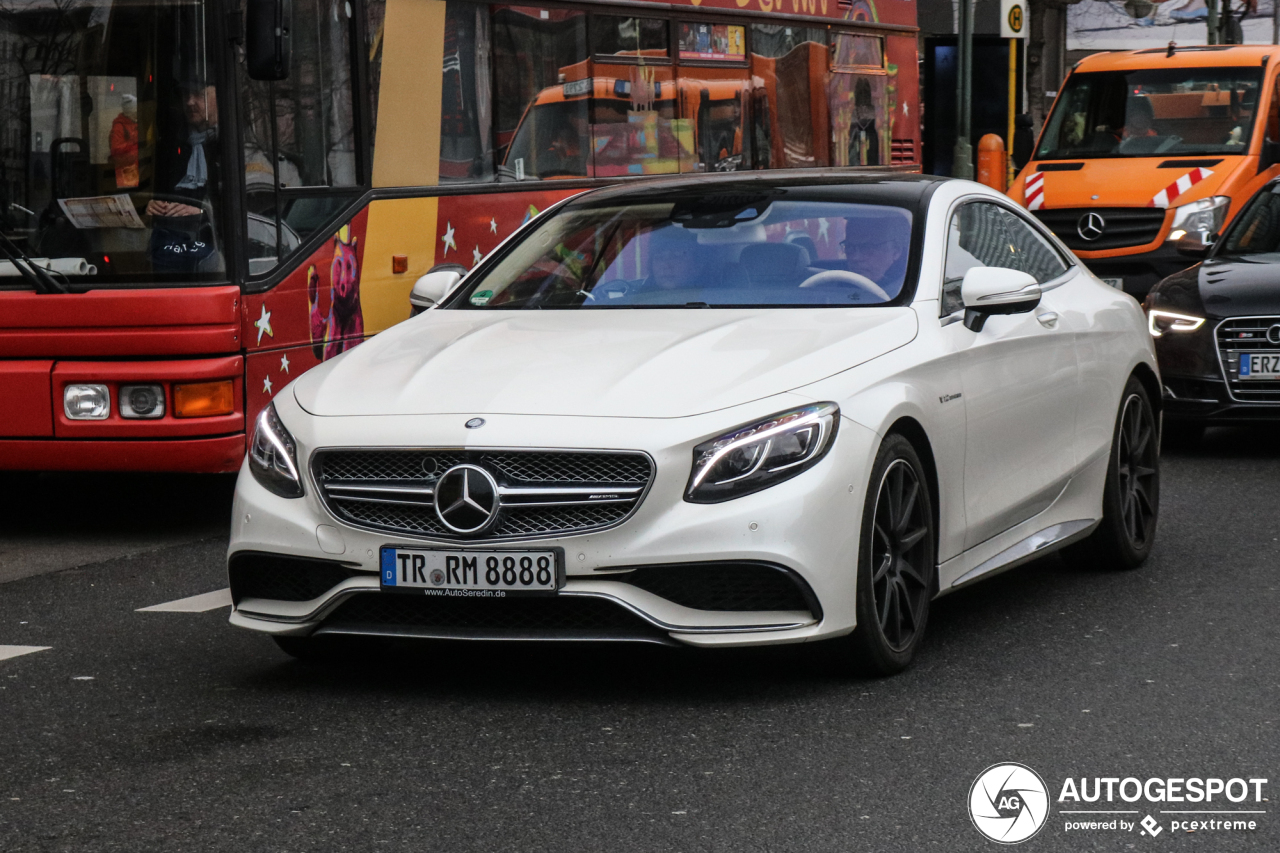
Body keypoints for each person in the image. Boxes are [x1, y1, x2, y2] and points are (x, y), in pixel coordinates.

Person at [147, 77, 222, 272]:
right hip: (170, 244)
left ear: (220, 95)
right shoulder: (173, 144)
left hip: (216, 245)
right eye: (185, 95)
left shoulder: (236, 143)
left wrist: (203, 213)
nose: (189, 102)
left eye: (198, 94)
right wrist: (153, 204)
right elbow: (159, 191)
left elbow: (246, 208)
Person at [842, 213, 910, 296]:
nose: (855, 257)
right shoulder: (831, 285)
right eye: (849, 247)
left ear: (896, 251)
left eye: (867, 247)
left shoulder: (910, 291)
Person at [109, 94, 139, 189]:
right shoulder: (119, 127)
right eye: (135, 112)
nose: (137, 114)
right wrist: (135, 147)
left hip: (134, 168)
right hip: (125, 170)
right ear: (129, 113)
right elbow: (116, 150)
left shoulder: (134, 123)